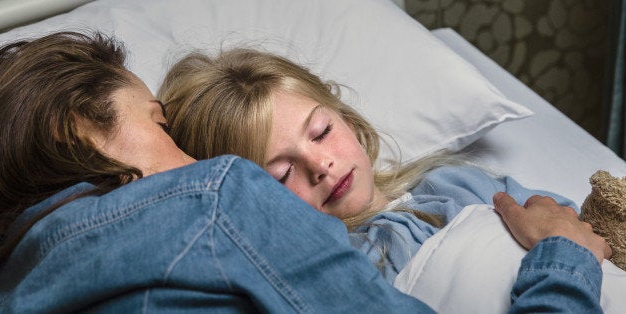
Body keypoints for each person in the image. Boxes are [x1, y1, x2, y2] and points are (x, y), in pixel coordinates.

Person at [0, 32, 608, 313]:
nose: (189, 162)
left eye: (321, 131)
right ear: (71, 129)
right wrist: (563, 260)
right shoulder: (216, 202)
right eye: (159, 126)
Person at [158, 48, 611, 311]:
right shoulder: (334, 273)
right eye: (281, 174)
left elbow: (582, 230)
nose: (320, 165)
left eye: (321, 132)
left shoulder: (457, 183)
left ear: (349, 121)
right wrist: (565, 257)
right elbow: (569, 248)